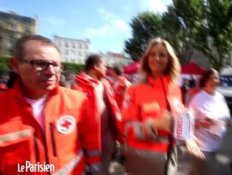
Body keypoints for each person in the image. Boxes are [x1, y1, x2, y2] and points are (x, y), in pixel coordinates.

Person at [0, 34, 102, 174]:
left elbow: (92, 144)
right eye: (40, 64)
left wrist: (95, 169)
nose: (51, 72)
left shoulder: (77, 100)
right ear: (16, 65)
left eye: (55, 64)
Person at [121, 37, 204, 175]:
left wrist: (187, 134)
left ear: (170, 60)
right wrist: (153, 125)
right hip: (143, 159)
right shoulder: (134, 90)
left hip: (170, 157)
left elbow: (178, 116)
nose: (157, 58)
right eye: (153, 54)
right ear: (147, 58)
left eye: (162, 55)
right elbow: (124, 128)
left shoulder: (175, 89)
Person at [189, 69, 232, 175]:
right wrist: (200, 124)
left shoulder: (220, 97)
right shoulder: (197, 99)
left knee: (196, 172)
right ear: (205, 81)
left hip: (216, 146)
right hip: (202, 147)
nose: (214, 80)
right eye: (210, 78)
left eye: (216, 77)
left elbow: (225, 119)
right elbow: (187, 123)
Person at [72, 54, 123, 175]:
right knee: (92, 168)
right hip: (91, 139)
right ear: (95, 67)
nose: (107, 69)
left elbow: (113, 107)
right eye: (104, 66)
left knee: (106, 164)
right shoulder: (78, 87)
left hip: (107, 135)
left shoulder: (105, 84)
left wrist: (117, 131)